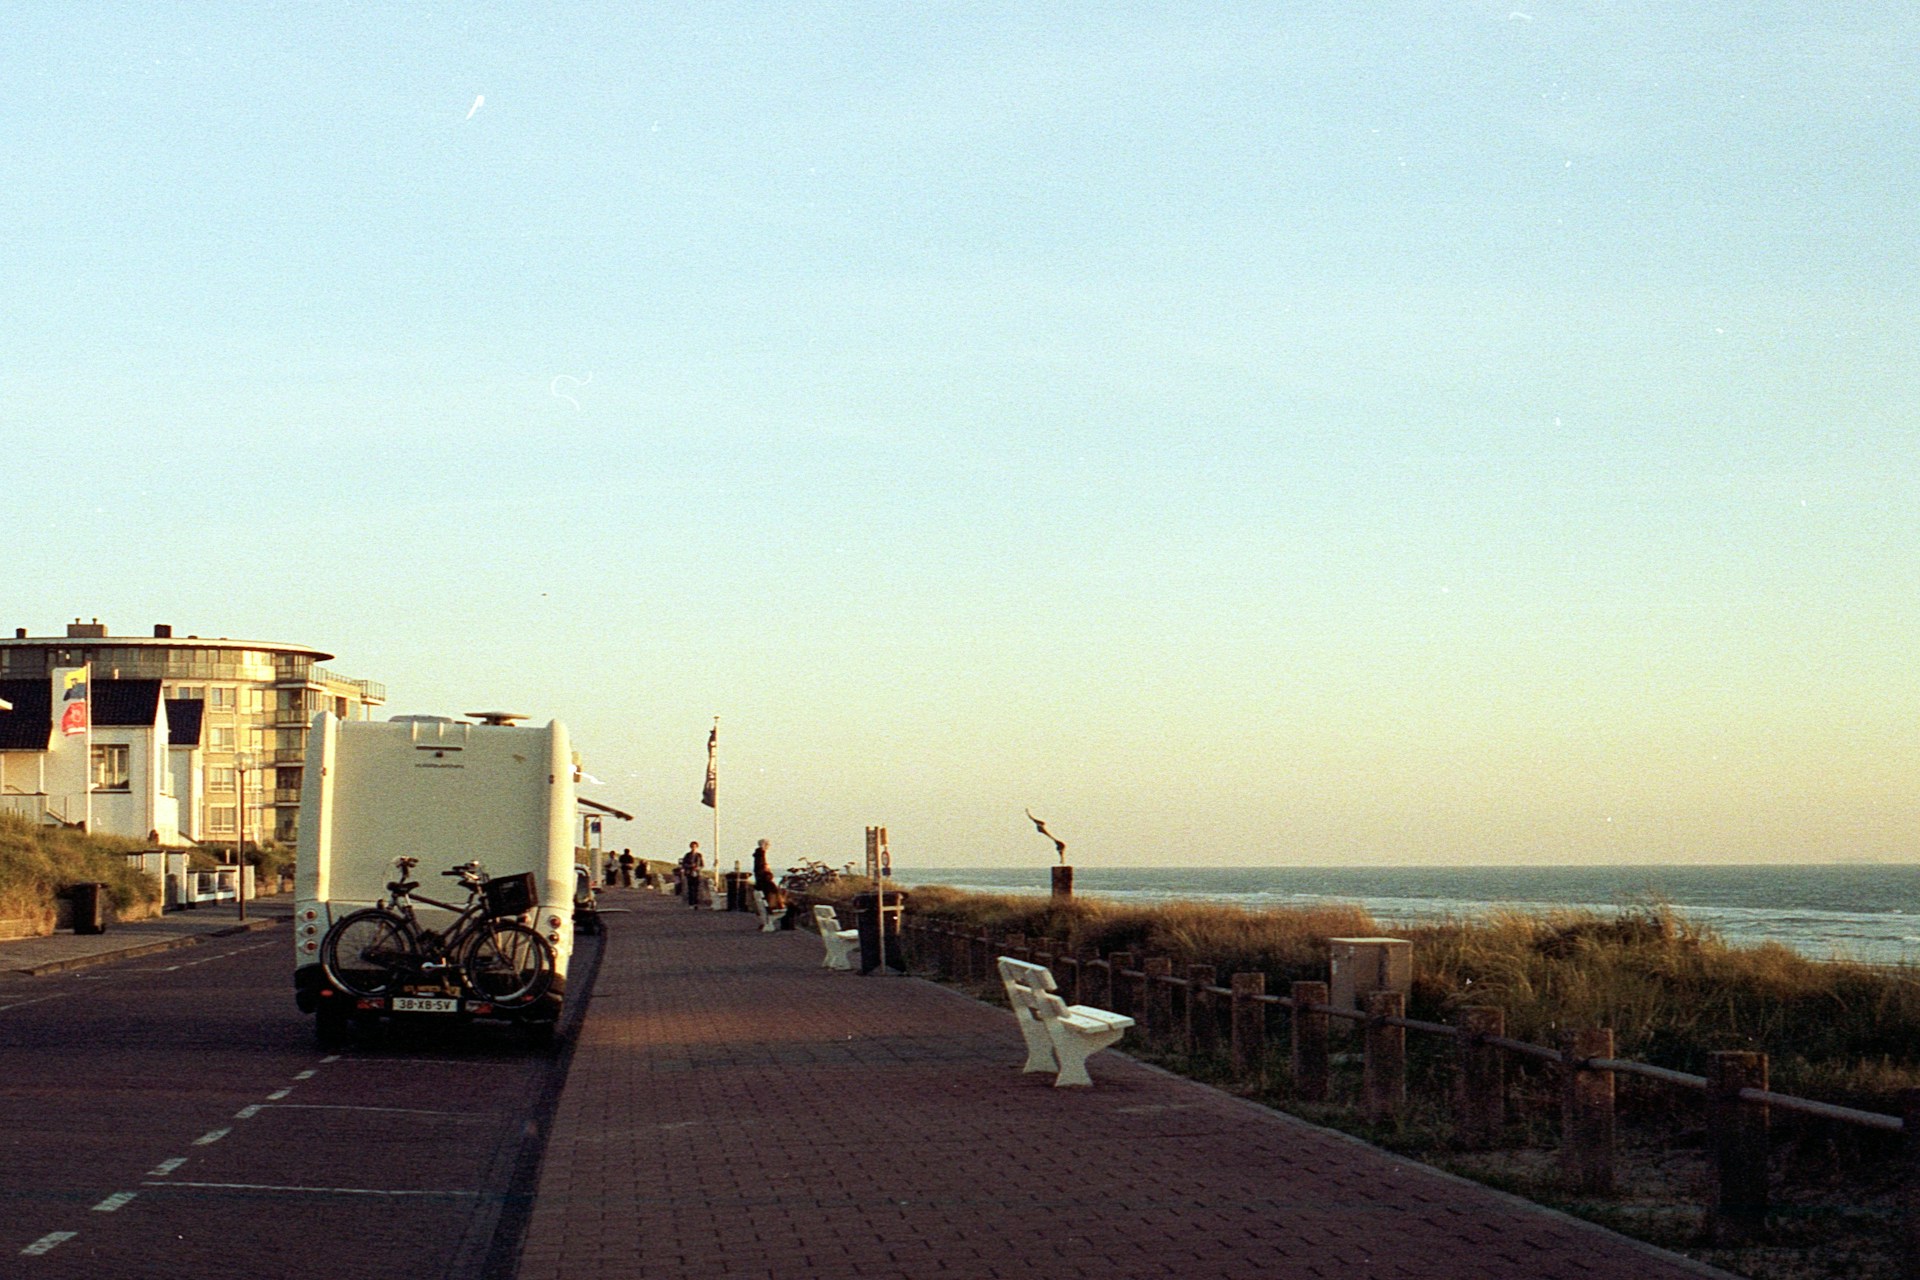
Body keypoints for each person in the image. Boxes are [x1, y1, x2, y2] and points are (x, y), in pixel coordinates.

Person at [680, 841, 705, 908]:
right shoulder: (687, 855)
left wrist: (697, 868)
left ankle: (696, 903)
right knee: (690, 888)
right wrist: (690, 866)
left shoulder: (699, 855)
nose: (694, 848)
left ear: (697, 847)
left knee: (696, 889)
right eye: (692, 846)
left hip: (697, 873)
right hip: (689, 873)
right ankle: (691, 903)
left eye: (695, 847)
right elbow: (684, 864)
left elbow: (702, 865)